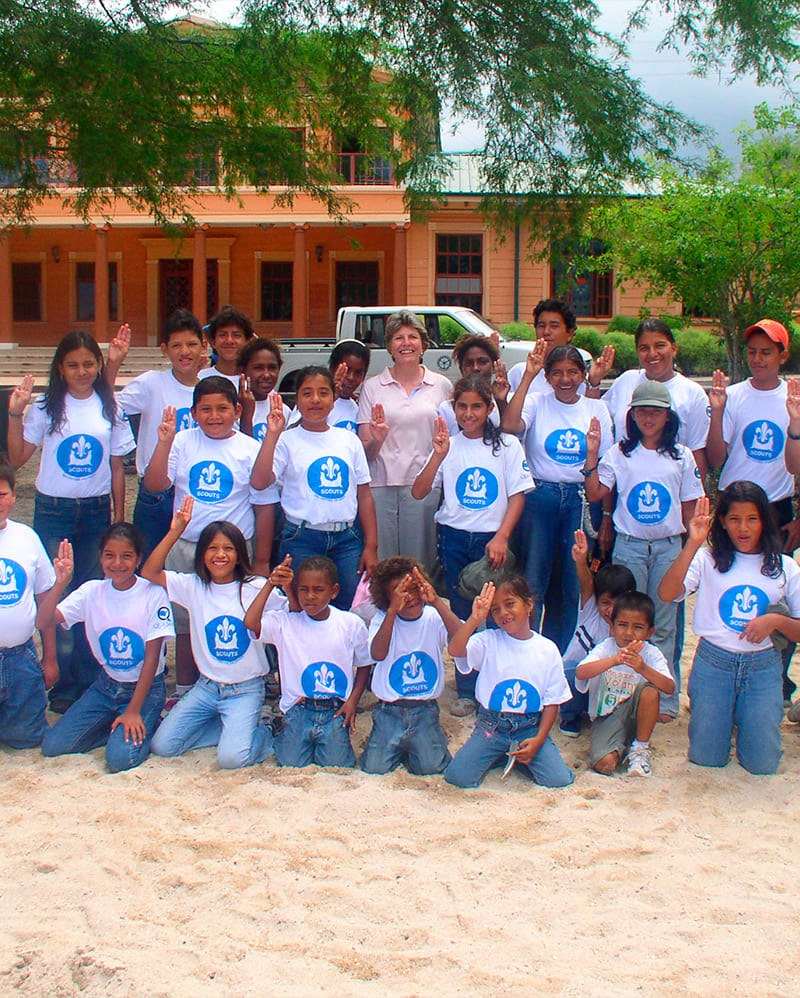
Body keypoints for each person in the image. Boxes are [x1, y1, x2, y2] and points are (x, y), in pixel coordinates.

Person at [7, 330, 135, 713]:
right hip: (54, 510)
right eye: (73, 365)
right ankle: (60, 679)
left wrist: (117, 516)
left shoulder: (109, 406)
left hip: (96, 511)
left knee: (91, 592)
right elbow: (16, 458)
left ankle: (88, 675)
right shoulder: (47, 407)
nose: (81, 371)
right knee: (56, 595)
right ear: (60, 369)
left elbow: (116, 466)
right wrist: (15, 413)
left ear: (99, 366)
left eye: (89, 364)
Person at [143, 376, 278, 694]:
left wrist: (260, 560)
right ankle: (186, 689)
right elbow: (154, 485)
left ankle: (248, 682)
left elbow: (262, 492)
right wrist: (163, 442)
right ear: (193, 412)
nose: (214, 416)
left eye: (222, 408)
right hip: (188, 545)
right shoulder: (182, 441)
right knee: (188, 624)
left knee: (241, 616)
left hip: (235, 547)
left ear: (236, 410)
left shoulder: (248, 447)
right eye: (205, 409)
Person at [583, 380, 705, 719]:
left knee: (663, 624)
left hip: (667, 547)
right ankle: (624, 695)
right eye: (641, 411)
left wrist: (688, 550)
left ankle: (663, 698)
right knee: (626, 623)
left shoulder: (682, 455)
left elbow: (688, 504)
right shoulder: (621, 453)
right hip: (630, 546)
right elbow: (595, 492)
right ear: (632, 415)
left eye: (655, 411)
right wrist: (592, 456)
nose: (648, 418)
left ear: (668, 417)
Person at [413, 374, 533, 714]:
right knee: (463, 613)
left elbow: (517, 496)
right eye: (462, 406)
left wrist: (501, 537)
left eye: (476, 406)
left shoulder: (507, 446)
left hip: (490, 542)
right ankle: (466, 688)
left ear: (489, 408)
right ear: (454, 408)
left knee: (499, 612)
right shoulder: (448, 445)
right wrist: (437, 455)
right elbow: (419, 491)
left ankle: (499, 680)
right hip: (453, 537)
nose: (469, 413)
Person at [659, 486, 800, 775]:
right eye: (735, 519)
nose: (743, 528)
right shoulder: (708, 559)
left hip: (762, 667)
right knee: (707, 757)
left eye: (752, 519)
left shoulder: (784, 566)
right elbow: (667, 592)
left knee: (762, 764)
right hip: (714, 664)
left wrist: (775, 622)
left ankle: (750, 723)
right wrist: (692, 544)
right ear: (722, 521)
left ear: (764, 521)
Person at [142, 497, 282, 770]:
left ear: (240, 554)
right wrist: (176, 531)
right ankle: (233, 729)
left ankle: (263, 728)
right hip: (206, 688)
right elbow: (149, 571)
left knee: (232, 760)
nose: (220, 555)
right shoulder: (193, 586)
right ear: (202, 555)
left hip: (246, 688)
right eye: (213, 548)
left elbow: (292, 616)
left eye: (228, 548)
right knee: (163, 745)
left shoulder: (256, 586)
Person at [707, 318, 800, 702]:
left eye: (766, 352)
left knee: (777, 597)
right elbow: (716, 457)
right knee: (725, 588)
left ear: (783, 354)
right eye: (752, 352)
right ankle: (727, 676)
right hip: (733, 506)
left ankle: (774, 679)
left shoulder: (793, 397)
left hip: (776, 509)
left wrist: (794, 423)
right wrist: (717, 412)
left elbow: (796, 467)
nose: (758, 359)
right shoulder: (736, 396)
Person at [501, 343, 613, 653]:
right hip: (540, 498)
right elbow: (510, 426)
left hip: (579, 500)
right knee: (534, 578)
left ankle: (560, 654)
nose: (566, 379)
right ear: (548, 377)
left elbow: (606, 468)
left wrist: (605, 516)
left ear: (583, 375)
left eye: (573, 372)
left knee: (571, 582)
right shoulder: (537, 402)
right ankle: (527, 650)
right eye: (558, 373)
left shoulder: (597, 408)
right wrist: (527, 376)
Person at [37, 525, 174, 772]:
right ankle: (114, 727)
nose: (117, 563)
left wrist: (134, 711)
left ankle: (148, 720)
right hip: (106, 686)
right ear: (100, 557)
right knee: (53, 746)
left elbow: (152, 658)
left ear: (139, 558)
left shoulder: (153, 594)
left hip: (144, 689)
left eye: (126, 556)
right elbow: (44, 621)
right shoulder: (92, 591)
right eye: (109, 555)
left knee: (120, 760)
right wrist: (60, 584)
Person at [251, 366, 379, 611]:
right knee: (301, 606)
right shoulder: (286, 440)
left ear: (334, 400)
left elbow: (364, 495)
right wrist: (272, 435)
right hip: (301, 538)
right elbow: (259, 482)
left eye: (323, 393)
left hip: (347, 540)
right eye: (307, 393)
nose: (315, 400)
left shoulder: (348, 440)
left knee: (347, 605)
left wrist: (371, 546)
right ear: (297, 400)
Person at [443, 575, 574, 790]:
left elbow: (553, 701)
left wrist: (539, 739)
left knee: (559, 780)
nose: (503, 613)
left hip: (530, 727)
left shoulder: (547, 649)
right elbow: (455, 650)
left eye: (510, 604)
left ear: (529, 605)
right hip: (491, 726)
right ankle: (499, 754)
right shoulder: (488, 640)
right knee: (458, 777)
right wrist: (475, 619)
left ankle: (515, 756)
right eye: (495, 609)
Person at [244, 555, 372, 769]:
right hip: (298, 707)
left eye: (318, 590)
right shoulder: (286, 622)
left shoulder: (350, 623)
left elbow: (364, 664)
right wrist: (270, 584)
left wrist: (353, 701)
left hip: (335, 708)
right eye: (303, 589)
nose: (310, 596)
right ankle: (271, 727)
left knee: (337, 764)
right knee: (290, 762)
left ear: (334, 591)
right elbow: (251, 623)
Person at [104, 309, 207, 559]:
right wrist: (114, 364)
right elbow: (107, 404)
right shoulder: (152, 383)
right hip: (157, 493)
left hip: (197, 490)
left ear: (203, 346)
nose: (185, 351)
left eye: (192, 344)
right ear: (164, 349)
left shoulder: (209, 386)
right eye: (177, 345)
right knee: (149, 562)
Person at [356, 309, 453, 570]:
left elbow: (450, 440)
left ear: (423, 344)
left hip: (424, 486)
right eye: (398, 338)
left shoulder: (441, 386)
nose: (406, 343)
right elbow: (365, 453)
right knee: (385, 566)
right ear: (389, 346)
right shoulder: (373, 386)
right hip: (381, 484)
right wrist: (377, 439)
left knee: (419, 566)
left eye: (413, 337)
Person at [360, 558, 461, 776]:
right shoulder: (382, 619)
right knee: (374, 768)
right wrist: (392, 612)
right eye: (400, 593)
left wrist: (436, 602)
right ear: (386, 600)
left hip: (424, 708)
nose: (411, 598)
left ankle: (423, 743)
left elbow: (461, 637)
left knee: (431, 767)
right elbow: (377, 653)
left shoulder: (433, 616)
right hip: (389, 710)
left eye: (414, 589)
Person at [575, 591, 675, 777]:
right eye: (622, 625)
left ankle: (640, 749)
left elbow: (669, 687)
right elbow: (581, 672)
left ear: (649, 632)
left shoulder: (651, 653)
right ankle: (622, 746)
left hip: (638, 715)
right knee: (605, 764)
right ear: (612, 627)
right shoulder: (607, 647)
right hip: (607, 715)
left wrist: (642, 668)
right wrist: (614, 660)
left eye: (638, 627)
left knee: (649, 691)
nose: (629, 633)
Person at [601, 317, 709, 479]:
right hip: (623, 488)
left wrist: (694, 498)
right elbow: (597, 418)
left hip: (670, 490)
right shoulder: (626, 381)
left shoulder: (693, 393)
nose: (652, 354)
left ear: (674, 349)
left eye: (660, 346)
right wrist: (594, 382)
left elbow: (697, 452)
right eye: (644, 348)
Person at [0, 462, 57, 749]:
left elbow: (45, 600)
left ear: (13, 496)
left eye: (1, 494)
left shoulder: (27, 538)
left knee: (27, 739)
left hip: (21, 659)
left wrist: (50, 657)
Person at [558, 529, 636, 737]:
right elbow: (587, 584)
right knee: (570, 670)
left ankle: (607, 717)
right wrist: (581, 561)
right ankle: (571, 716)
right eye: (605, 603)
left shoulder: (631, 625)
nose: (610, 609)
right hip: (578, 677)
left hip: (609, 683)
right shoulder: (591, 611)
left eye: (616, 603)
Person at [504, 298, 615, 399]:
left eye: (554, 326)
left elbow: (591, 413)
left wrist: (594, 381)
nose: (546, 332)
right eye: (541, 326)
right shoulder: (519, 372)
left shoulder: (578, 378)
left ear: (570, 333)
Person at [286, 340, 371, 434]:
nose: (351, 377)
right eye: (346, 370)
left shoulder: (358, 408)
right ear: (332, 368)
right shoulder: (316, 401)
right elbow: (293, 431)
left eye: (358, 373)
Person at [438, 333, 505, 432]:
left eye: (482, 362)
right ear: (461, 369)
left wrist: (501, 402)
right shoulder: (447, 409)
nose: (476, 368)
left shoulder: (507, 401)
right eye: (469, 363)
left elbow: (510, 437)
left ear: (494, 366)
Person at [236, 336, 292, 441]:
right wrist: (246, 415)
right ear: (242, 370)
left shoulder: (283, 410)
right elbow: (243, 451)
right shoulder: (232, 409)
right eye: (258, 368)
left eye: (272, 368)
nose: (266, 375)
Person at [198, 305, 255, 386]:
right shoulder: (199, 379)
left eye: (236, 335)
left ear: (247, 342)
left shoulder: (256, 383)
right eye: (222, 335)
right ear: (213, 342)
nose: (229, 340)